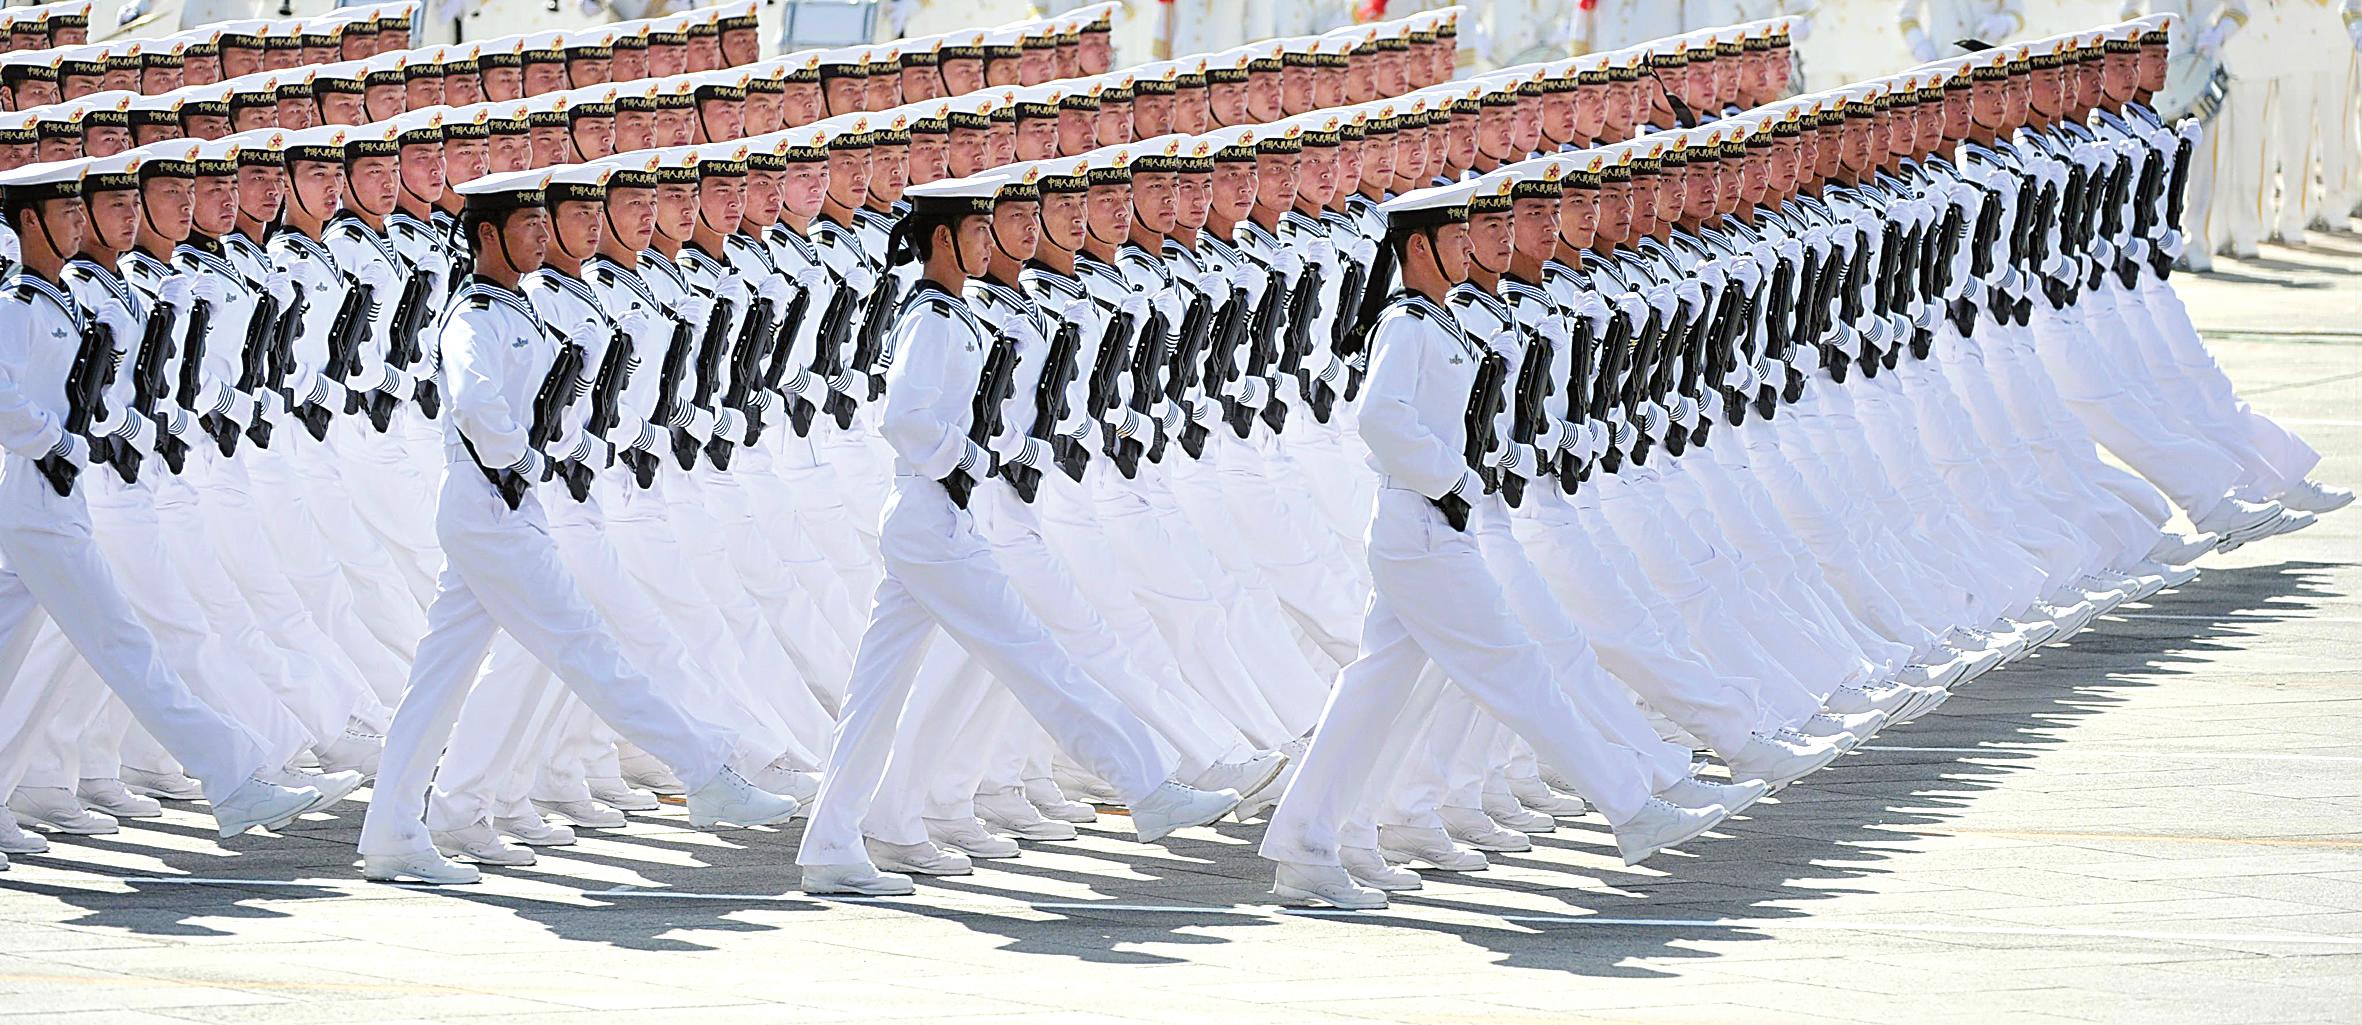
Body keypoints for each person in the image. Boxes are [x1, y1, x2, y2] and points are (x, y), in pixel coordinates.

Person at [1260, 178, 1732, 911]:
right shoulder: (1409, 323)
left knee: (1375, 693)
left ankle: (1314, 844)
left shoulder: (1436, 321)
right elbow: (1380, 417)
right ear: (1419, 248)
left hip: (1426, 527)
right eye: (1454, 239)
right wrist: (1455, 478)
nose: (1471, 248)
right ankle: (1633, 809)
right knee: (1520, 672)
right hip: (1422, 525)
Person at [794, 169, 1239, 898]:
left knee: (876, 695)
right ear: (942, 238)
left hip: (934, 517)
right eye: (974, 231)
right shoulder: (933, 317)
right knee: (1036, 656)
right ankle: (1147, 784)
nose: (986, 243)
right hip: (933, 516)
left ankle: (837, 842)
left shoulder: (952, 312)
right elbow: (903, 417)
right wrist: (970, 456)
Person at [356, 165, 800, 886]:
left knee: (439, 682)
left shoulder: (516, 306)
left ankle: (401, 827)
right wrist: (521, 457)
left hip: (495, 511)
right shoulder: (477, 315)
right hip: (492, 511)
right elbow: (474, 402)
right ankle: (707, 776)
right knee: (589, 647)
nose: (541, 234)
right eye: (526, 224)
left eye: (543, 221)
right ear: (489, 234)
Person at [0, 154, 333, 869]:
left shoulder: (61, 300)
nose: (80, 225)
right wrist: (52, 436)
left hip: (56, 493)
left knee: (33, 658)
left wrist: (85, 427)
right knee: (126, 644)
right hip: (35, 497)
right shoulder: (17, 306)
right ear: (29, 222)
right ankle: (235, 776)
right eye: (66, 215)